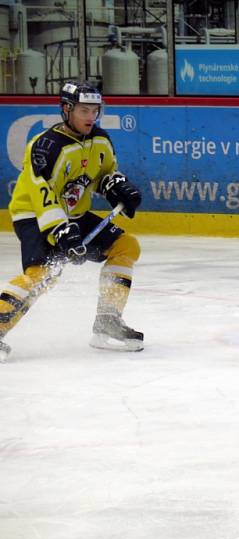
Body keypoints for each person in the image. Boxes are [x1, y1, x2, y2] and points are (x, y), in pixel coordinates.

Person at [0, 81, 143, 363]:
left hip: (74, 214)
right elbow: (44, 197)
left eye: (95, 110)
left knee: (125, 246)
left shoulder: (100, 139)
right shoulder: (45, 147)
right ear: (67, 110)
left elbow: (104, 174)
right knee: (42, 274)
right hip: (35, 216)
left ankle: (107, 321)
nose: (91, 117)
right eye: (84, 110)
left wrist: (116, 186)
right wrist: (60, 231)